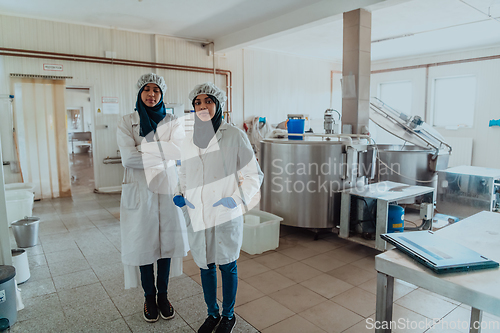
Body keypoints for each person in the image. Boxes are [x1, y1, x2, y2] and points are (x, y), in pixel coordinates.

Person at [173, 82, 263, 333]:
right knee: (205, 264)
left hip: (225, 212)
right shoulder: (188, 140)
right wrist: (180, 194)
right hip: (198, 212)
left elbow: (254, 176)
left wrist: (235, 200)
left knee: (227, 264)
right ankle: (212, 314)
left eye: (208, 101)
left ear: (218, 104)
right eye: (198, 102)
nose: (203, 106)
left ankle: (229, 315)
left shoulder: (234, 135)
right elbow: (184, 172)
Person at [117, 73, 189, 323]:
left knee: (166, 244)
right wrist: (162, 153)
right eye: (146, 89)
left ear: (162, 94)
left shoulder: (172, 120)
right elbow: (128, 159)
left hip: (166, 190)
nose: (151, 94)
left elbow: (178, 151)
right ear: (139, 93)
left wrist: (143, 151)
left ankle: (163, 296)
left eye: (156, 90)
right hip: (140, 191)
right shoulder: (127, 122)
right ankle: (149, 297)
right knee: (144, 245)